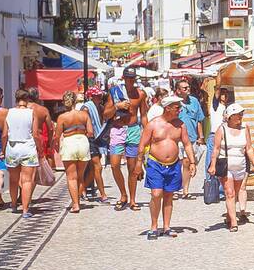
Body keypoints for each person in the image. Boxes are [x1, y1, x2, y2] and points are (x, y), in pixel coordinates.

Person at [140, 95, 195, 240]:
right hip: (155, 164)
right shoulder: (153, 124)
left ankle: (166, 226)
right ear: (168, 108)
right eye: (177, 107)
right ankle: (153, 226)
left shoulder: (180, 125)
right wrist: (138, 165)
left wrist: (192, 162)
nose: (180, 110)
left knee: (169, 195)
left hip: (173, 165)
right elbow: (142, 145)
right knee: (156, 194)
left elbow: (187, 144)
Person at [104, 68, 149, 210]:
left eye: (133, 78)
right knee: (115, 164)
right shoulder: (114, 92)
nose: (131, 80)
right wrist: (117, 106)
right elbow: (105, 114)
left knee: (132, 167)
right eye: (128, 78)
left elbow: (143, 115)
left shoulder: (140, 94)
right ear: (123, 78)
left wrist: (148, 133)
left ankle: (133, 199)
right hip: (117, 130)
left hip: (133, 130)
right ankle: (123, 194)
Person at [209, 103, 254, 231]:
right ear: (230, 116)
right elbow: (216, 149)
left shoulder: (244, 128)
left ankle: (230, 216)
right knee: (229, 193)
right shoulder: (221, 129)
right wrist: (213, 164)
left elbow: (249, 148)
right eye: (238, 114)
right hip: (226, 165)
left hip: (240, 165)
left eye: (241, 114)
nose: (240, 116)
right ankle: (234, 222)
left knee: (235, 193)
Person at [0, 88, 39, 218]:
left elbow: (4, 135)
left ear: (16, 99)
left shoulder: (9, 113)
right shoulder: (32, 113)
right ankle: (25, 210)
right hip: (28, 148)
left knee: (14, 180)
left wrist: (3, 150)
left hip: (12, 148)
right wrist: (40, 149)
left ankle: (14, 205)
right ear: (27, 99)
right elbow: (36, 134)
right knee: (26, 181)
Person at [54, 91, 94, 213]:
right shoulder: (84, 115)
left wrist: (56, 145)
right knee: (80, 176)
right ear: (75, 101)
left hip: (69, 143)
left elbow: (57, 135)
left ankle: (75, 204)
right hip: (82, 142)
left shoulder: (62, 117)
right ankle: (78, 201)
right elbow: (91, 132)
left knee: (71, 177)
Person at [79, 86, 111, 204]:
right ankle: (103, 195)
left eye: (99, 95)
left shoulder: (101, 107)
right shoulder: (86, 108)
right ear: (91, 96)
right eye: (96, 95)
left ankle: (81, 191)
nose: (99, 97)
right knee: (98, 166)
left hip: (99, 138)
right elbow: (82, 123)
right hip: (90, 139)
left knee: (93, 170)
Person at [175, 77, 205, 199]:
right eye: (184, 88)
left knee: (187, 162)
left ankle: (185, 190)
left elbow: (199, 120)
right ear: (178, 90)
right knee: (176, 163)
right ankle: (174, 188)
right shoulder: (173, 102)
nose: (188, 89)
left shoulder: (194, 101)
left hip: (191, 138)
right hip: (176, 138)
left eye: (188, 87)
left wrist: (201, 136)